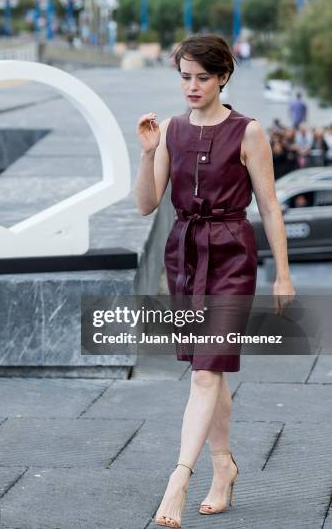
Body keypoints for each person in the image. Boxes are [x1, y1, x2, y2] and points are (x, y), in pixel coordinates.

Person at [133, 33, 295, 527]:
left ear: (223, 76)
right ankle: (223, 467)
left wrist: (283, 275)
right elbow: (145, 204)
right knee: (209, 369)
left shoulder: (248, 131)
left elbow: (268, 205)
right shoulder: (173, 131)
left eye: (202, 77)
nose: (192, 86)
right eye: (185, 77)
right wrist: (147, 152)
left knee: (205, 372)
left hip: (230, 254)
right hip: (183, 253)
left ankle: (178, 479)